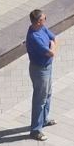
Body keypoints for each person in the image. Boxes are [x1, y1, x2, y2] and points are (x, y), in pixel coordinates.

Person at [26, 10, 56, 139]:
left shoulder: (42, 28)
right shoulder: (34, 37)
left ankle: (43, 119)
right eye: (45, 18)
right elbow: (51, 53)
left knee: (47, 94)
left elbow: (54, 38)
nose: (45, 20)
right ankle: (35, 130)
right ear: (38, 21)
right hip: (40, 70)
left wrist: (53, 44)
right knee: (40, 99)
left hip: (47, 67)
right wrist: (53, 46)